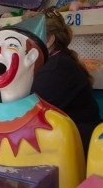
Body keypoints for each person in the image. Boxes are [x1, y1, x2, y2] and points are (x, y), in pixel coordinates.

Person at [25, 8, 101, 157]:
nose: (22, 42)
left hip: (80, 151)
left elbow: (26, 115)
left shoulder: (55, 68)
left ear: (48, 40)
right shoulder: (53, 63)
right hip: (65, 144)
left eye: (29, 36)